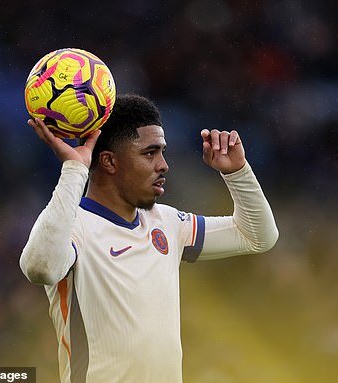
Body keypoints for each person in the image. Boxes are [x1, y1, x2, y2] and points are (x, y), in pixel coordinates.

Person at [19, 94, 279, 383]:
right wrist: (75, 168)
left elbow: (257, 236)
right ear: (109, 162)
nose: (164, 165)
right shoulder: (73, 227)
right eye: (150, 153)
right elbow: (39, 267)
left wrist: (237, 173)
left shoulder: (166, 223)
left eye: (162, 152)